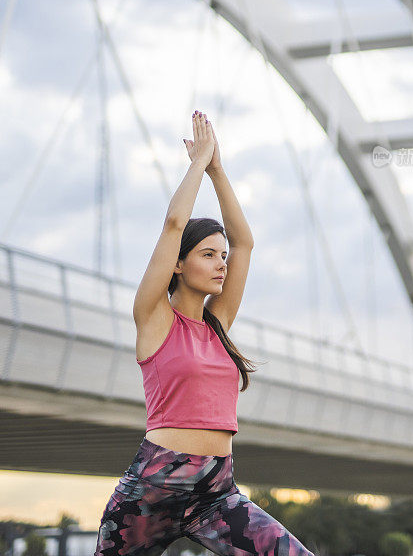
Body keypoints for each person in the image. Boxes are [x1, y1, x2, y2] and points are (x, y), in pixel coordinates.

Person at [95, 110, 315, 556]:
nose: (222, 264)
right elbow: (174, 226)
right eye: (208, 254)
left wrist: (218, 170)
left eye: (222, 256)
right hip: (152, 492)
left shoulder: (220, 323)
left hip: (217, 492)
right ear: (178, 263)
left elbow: (245, 242)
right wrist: (197, 163)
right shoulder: (154, 319)